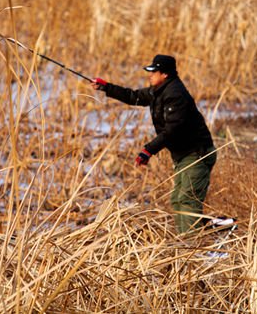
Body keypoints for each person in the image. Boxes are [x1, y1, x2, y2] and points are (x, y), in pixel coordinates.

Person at [91, 54, 216, 233]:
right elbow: (133, 96)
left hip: (197, 154)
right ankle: (187, 241)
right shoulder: (158, 90)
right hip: (184, 155)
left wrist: (147, 151)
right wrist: (106, 87)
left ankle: (193, 246)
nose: (149, 74)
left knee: (187, 200)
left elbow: (173, 130)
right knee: (178, 199)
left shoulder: (175, 94)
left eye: (153, 71)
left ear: (164, 74)